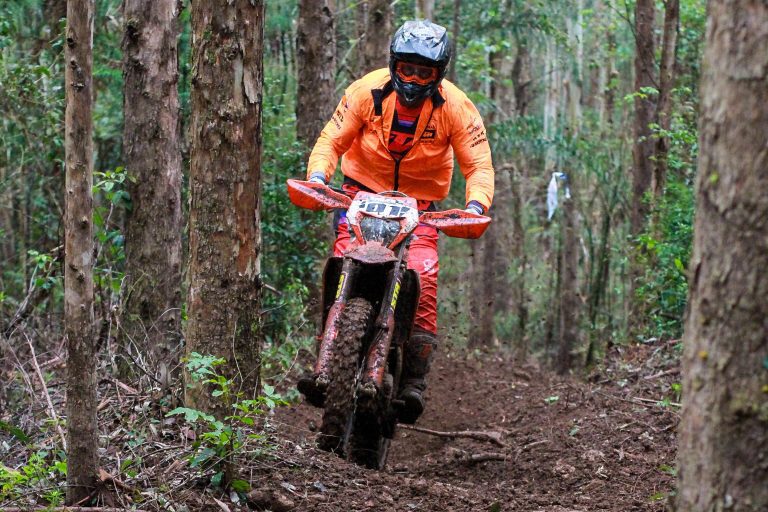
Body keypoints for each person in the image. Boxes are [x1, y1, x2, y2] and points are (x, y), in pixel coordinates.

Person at [305, 20, 494, 423]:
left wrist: (476, 204)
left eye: (423, 72)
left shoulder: (457, 107)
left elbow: (478, 164)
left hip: (421, 207)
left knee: (423, 276)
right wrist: (319, 175)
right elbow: (331, 139)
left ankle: (414, 379)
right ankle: (326, 355)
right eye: (406, 68)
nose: (413, 79)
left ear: (438, 74)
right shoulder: (364, 91)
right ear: (393, 64)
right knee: (342, 263)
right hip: (360, 196)